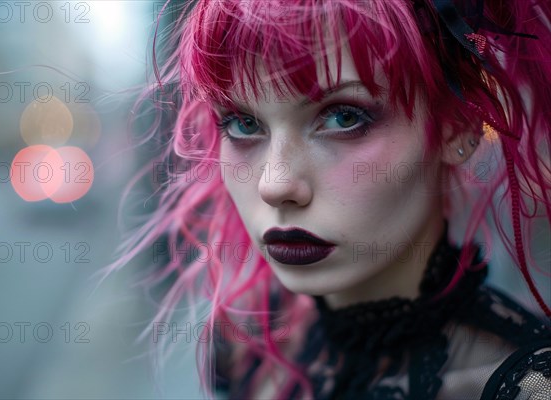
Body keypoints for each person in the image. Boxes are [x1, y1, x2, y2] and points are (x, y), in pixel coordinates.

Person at [108, 0, 551, 398]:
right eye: (243, 123)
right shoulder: (249, 347)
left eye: (343, 117)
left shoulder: (525, 387)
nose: (276, 184)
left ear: (458, 127)